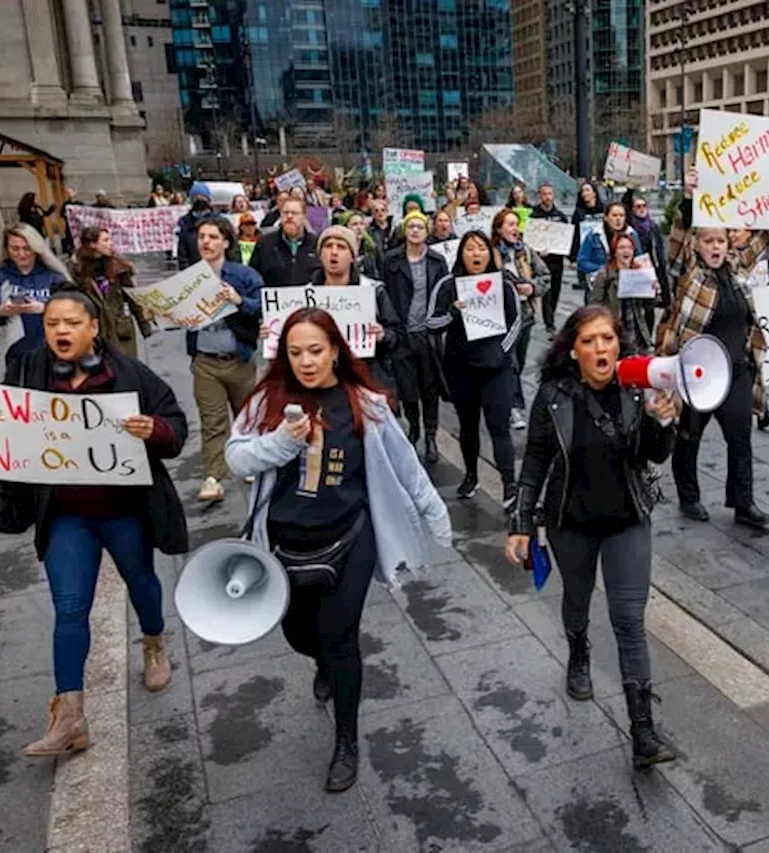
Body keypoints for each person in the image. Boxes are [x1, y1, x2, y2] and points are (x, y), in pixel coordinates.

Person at [225, 307, 451, 793]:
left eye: (315, 350)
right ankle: (322, 660)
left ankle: (346, 741)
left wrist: (433, 509)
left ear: (334, 351)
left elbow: (404, 460)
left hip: (350, 536)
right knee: (299, 635)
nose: (306, 361)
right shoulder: (266, 399)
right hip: (285, 543)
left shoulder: (364, 402)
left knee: (341, 636)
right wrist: (281, 444)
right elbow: (237, 456)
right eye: (295, 352)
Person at [0, 290, 187, 757]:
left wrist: (153, 431)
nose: (60, 331)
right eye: (53, 323)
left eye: (71, 322)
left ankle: (154, 641)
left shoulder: (131, 375)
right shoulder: (27, 372)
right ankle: (70, 717)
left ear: (93, 327)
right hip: (66, 517)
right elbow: (3, 423)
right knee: (70, 606)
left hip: (124, 512)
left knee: (142, 584)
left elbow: (176, 427)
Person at [506, 304, 678, 769]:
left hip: (627, 519)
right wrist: (521, 523)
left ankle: (642, 731)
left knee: (628, 620)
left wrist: (662, 420)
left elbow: (654, 455)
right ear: (573, 350)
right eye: (589, 341)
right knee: (577, 601)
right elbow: (536, 461)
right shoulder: (554, 395)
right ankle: (578, 651)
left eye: (608, 338)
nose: (601, 348)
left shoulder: (638, 387)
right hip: (572, 522)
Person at [659, 167, 769, 531]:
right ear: (698, 245)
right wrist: (690, 198)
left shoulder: (737, 268)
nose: (715, 247)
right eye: (708, 241)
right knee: (689, 435)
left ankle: (743, 504)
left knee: (740, 438)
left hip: (736, 371)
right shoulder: (690, 273)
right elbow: (676, 245)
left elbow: (766, 235)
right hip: (697, 372)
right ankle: (689, 496)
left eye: (720, 241)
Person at [426, 231, 521, 508]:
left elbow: (517, 322)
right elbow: (431, 324)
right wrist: (453, 313)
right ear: (461, 253)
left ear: (490, 254)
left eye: (481, 248)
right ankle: (471, 475)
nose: (476, 254)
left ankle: (509, 485)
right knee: (467, 427)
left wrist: (501, 352)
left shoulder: (503, 285)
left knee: (498, 427)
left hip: (495, 370)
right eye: (470, 249)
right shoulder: (448, 285)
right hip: (461, 369)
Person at [189, 217, 263, 503]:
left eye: (212, 237)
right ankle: (213, 476)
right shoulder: (190, 278)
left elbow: (262, 307)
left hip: (239, 358)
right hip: (205, 361)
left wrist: (239, 300)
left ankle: (249, 464)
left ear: (225, 242)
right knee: (212, 421)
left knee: (246, 417)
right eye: (202, 237)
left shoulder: (243, 276)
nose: (206, 242)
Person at [381, 211, 449, 463]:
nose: (416, 231)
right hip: (402, 333)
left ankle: (431, 435)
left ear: (427, 231)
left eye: (420, 226)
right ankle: (414, 427)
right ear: (404, 230)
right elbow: (385, 292)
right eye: (411, 226)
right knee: (407, 388)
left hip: (428, 335)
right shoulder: (392, 260)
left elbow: (444, 291)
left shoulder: (436, 260)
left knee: (429, 388)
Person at [309, 225, 403, 400]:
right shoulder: (305, 296)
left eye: (341, 247)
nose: (334, 252)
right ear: (320, 254)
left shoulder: (374, 291)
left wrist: (383, 335)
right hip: (320, 383)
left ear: (353, 256)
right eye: (328, 246)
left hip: (365, 379)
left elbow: (397, 335)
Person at [491, 208, 548, 430]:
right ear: (499, 228)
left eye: (517, 224)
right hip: (502, 317)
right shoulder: (491, 252)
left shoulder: (525, 251)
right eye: (510, 224)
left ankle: (506, 397)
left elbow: (545, 276)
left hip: (525, 315)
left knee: (520, 362)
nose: (515, 229)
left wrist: (532, 288)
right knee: (510, 362)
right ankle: (513, 407)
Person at [0, 223, 71, 363]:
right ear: (6, 249)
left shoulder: (54, 276)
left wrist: (44, 308)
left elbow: (74, 309)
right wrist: (2, 311)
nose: (22, 254)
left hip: (56, 350)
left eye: (27, 248)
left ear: (36, 249)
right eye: (15, 248)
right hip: (19, 352)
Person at [69, 226, 153, 359]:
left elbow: (132, 298)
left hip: (120, 328)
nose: (111, 243)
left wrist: (144, 326)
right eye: (105, 240)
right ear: (93, 244)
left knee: (125, 370)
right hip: (96, 330)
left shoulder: (119, 266)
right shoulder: (78, 271)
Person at [590, 232, 656, 355]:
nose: (626, 251)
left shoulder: (640, 272)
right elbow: (595, 305)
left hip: (636, 331)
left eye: (629, 247)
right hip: (615, 327)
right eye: (621, 248)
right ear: (614, 252)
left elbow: (649, 306)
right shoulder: (605, 275)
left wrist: (653, 290)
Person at [248, 196, 320, 288]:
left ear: (304, 216)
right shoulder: (264, 243)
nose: (289, 216)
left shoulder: (317, 244)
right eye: (285, 213)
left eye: (294, 213)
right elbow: (253, 276)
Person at [532, 183, 570, 336]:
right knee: (546, 292)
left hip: (557, 260)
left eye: (549, 194)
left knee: (555, 291)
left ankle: (552, 314)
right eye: (544, 194)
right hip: (542, 261)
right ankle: (549, 322)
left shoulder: (560, 216)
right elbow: (530, 238)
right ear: (540, 196)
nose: (547, 197)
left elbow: (566, 237)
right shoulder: (534, 216)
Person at [577, 202, 642, 286]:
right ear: (606, 217)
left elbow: (639, 259)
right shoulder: (594, 235)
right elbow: (582, 262)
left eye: (621, 215)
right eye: (614, 215)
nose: (618, 219)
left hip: (626, 281)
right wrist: (603, 269)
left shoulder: (632, 234)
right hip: (598, 282)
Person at [175, 183, 215, 269]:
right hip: (194, 270)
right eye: (196, 197)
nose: (199, 200)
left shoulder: (219, 220)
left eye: (202, 197)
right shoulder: (185, 222)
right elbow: (182, 250)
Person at [343, 211, 381, 279]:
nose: (359, 228)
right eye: (355, 224)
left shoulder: (371, 248)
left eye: (361, 224)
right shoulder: (341, 250)